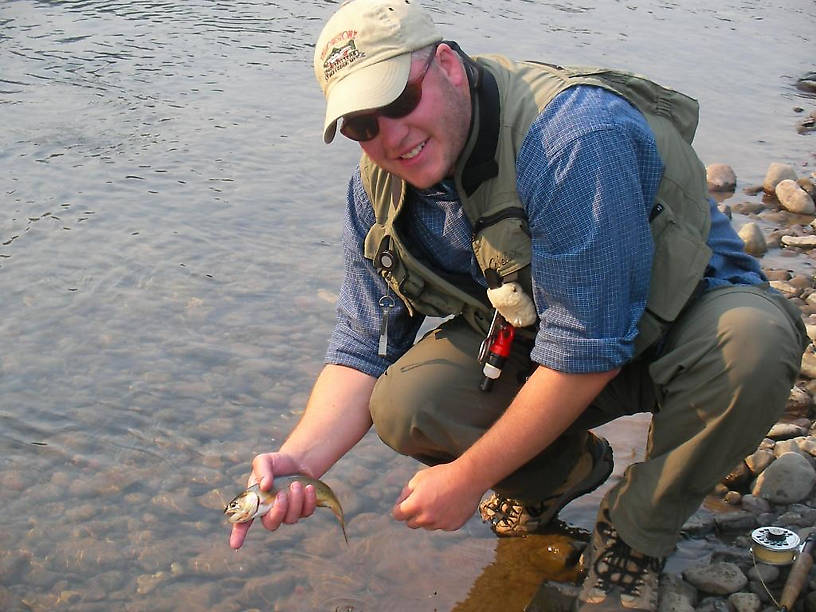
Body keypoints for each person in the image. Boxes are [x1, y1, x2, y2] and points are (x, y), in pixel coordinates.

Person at [229, 0, 808, 609]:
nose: (389, 137)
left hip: (684, 320)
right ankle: (559, 474)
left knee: (755, 347)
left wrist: (466, 479)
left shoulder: (573, 137)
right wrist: (297, 462)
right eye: (361, 125)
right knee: (407, 402)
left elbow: (588, 349)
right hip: (556, 334)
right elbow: (360, 349)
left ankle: (636, 533)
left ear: (448, 66)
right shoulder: (375, 189)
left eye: (399, 101)